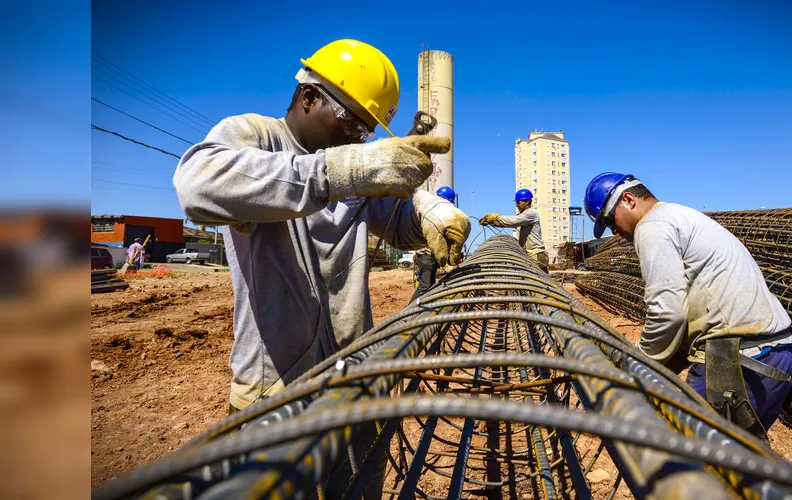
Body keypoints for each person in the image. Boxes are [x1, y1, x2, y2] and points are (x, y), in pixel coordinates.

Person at [173, 38, 471, 414]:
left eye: (365, 134)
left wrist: (429, 212)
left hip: (352, 377)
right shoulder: (255, 136)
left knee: (357, 473)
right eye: (350, 124)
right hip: (274, 392)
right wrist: (342, 170)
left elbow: (398, 224)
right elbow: (197, 186)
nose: (354, 139)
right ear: (310, 97)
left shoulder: (352, 173)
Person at [583, 172, 792, 441]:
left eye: (609, 220)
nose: (613, 231)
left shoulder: (652, 226)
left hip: (737, 361)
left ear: (628, 200)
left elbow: (667, 311)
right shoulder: (681, 215)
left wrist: (637, 363)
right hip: (781, 353)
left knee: (697, 466)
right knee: (740, 463)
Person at [479, 189, 549, 272]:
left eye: (518, 202)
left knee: (536, 282)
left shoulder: (531, 213)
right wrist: (492, 222)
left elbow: (513, 221)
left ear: (527, 202)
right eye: (516, 202)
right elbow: (511, 222)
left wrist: (495, 219)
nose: (516, 205)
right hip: (534, 255)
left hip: (536, 255)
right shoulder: (525, 215)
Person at [409, 186, 456, 303]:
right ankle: (408, 314)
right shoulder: (434, 212)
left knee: (430, 285)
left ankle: (422, 312)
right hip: (426, 254)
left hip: (428, 254)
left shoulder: (430, 209)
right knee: (425, 286)